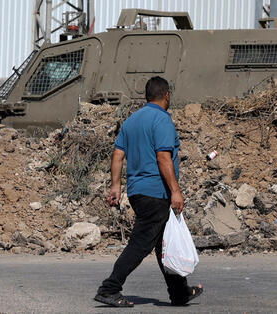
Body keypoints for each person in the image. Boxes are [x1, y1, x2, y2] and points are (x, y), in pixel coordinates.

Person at [94, 76, 203, 307]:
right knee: (140, 244)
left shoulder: (132, 121)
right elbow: (164, 158)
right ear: (166, 95)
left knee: (163, 244)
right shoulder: (162, 120)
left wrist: (115, 186)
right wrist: (176, 190)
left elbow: (117, 154)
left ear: (146, 96)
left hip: (137, 192)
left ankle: (179, 293)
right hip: (156, 192)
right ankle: (109, 288)